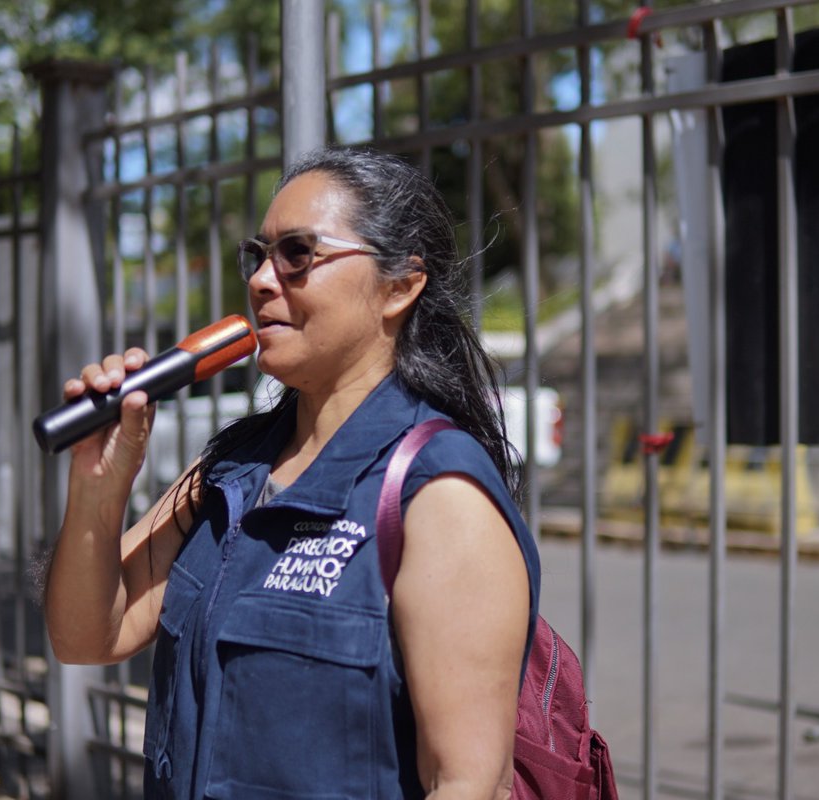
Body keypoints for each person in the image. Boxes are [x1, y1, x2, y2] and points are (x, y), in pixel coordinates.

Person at [43, 147, 541, 799]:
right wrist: (99, 486)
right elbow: (85, 635)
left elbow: (468, 783)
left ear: (399, 286)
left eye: (298, 254)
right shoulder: (228, 470)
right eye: (257, 255)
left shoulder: (438, 493)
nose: (260, 280)